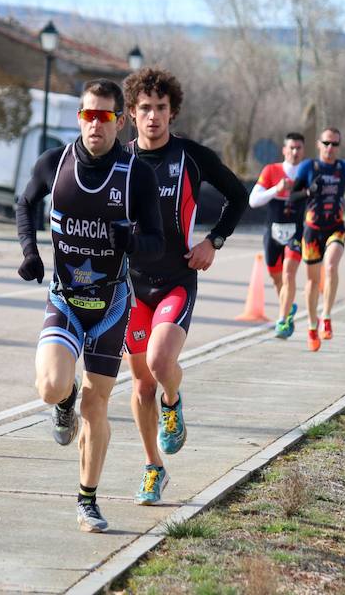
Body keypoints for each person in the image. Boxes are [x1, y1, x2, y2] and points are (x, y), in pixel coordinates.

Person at [15, 78, 164, 532]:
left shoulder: (137, 174)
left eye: (103, 116)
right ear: (79, 117)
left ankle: (87, 500)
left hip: (111, 307)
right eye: (87, 115)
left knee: (96, 405)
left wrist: (133, 241)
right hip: (65, 299)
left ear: (119, 121)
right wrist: (29, 252)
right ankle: (61, 404)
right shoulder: (54, 162)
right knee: (51, 386)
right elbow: (24, 202)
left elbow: (157, 245)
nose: (94, 124)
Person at [121, 67, 248, 505]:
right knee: (139, 387)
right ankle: (154, 468)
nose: (152, 116)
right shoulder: (120, 161)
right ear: (132, 114)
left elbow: (238, 195)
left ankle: (173, 402)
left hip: (176, 279)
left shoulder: (192, 156)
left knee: (160, 362)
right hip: (130, 286)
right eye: (144, 109)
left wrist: (213, 241)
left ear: (172, 112)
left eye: (160, 108)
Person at [289, 127, 345, 352]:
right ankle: (312, 328)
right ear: (319, 144)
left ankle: (327, 316)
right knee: (312, 282)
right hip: (311, 231)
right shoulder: (308, 167)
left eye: (335, 144)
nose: (331, 148)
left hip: (335, 227)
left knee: (330, 266)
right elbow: (292, 197)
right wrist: (309, 191)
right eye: (327, 143)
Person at [249, 132, 307, 338]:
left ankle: (282, 320)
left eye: (298, 148)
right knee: (276, 278)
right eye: (291, 147)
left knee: (289, 273)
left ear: (303, 150)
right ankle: (289, 305)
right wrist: (276, 189)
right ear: (284, 150)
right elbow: (253, 201)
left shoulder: (308, 172)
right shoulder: (271, 170)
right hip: (272, 230)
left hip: (297, 232)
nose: (294, 152)